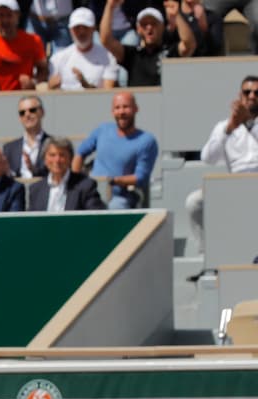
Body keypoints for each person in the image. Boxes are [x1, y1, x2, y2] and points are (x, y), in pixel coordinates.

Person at [186, 77, 258, 252]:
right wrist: (229, 128)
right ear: (239, 96)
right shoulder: (223, 126)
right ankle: (207, 255)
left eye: (257, 92)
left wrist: (249, 125)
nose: (252, 96)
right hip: (234, 184)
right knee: (194, 202)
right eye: (247, 92)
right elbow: (207, 158)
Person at [73, 91, 158, 210]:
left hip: (120, 197)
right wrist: (74, 182)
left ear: (136, 109)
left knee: (115, 208)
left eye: (126, 107)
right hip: (90, 192)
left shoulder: (146, 140)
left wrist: (112, 181)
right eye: (117, 108)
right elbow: (80, 153)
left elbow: (141, 177)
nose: (121, 112)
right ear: (112, 111)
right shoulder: (103, 130)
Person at [100, 2, 194, 87]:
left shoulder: (170, 51)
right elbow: (106, 40)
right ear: (138, 29)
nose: (149, 28)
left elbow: (189, 44)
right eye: (144, 24)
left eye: (154, 24)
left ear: (162, 27)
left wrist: (177, 15)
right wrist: (110, 6)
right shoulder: (132, 55)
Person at [47, 7, 117, 90]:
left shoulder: (108, 57)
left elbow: (108, 93)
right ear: (70, 30)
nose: (81, 32)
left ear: (93, 29)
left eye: (85, 27)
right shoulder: (58, 58)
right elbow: (51, 89)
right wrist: (51, 86)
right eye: (77, 28)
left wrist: (86, 86)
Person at [28, 137, 106, 211]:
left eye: (62, 155)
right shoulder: (36, 189)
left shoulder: (86, 186)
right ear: (44, 159)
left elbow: (96, 216)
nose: (57, 160)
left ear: (70, 159)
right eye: (52, 155)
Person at [1, 94, 50, 179]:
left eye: (32, 110)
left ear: (42, 112)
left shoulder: (53, 144)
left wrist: (33, 170)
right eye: (22, 113)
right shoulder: (9, 148)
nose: (27, 115)